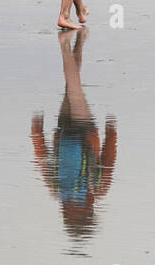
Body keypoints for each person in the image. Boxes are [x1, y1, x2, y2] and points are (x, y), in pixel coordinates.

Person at [31, 28, 117, 241]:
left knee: (73, 86)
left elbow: (108, 160)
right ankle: (77, 41)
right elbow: (44, 160)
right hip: (62, 133)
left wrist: (112, 133)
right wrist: (37, 133)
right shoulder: (57, 191)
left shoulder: (95, 190)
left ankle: (66, 43)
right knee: (72, 86)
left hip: (85, 131)